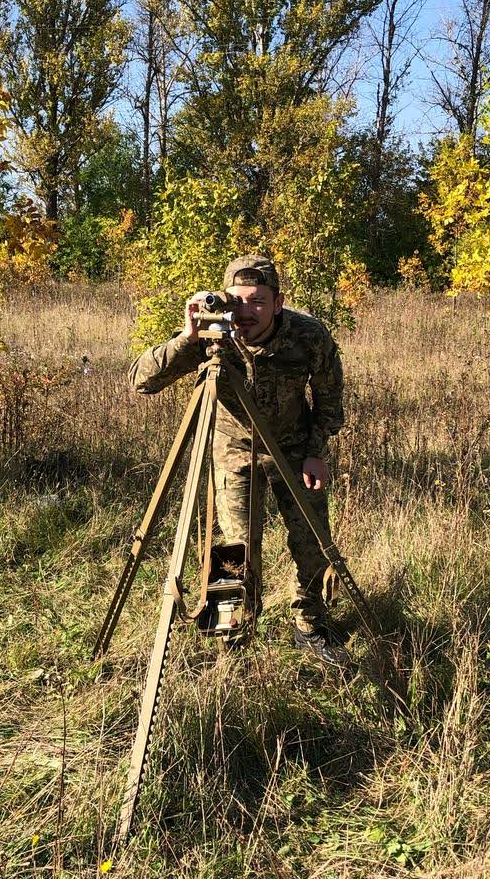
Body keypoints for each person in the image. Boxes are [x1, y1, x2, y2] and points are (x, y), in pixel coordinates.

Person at [127, 253, 345, 662]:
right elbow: (141, 381)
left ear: (278, 303)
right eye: (237, 299)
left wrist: (317, 452)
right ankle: (235, 631)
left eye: (258, 301)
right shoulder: (213, 333)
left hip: (295, 449)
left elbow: (329, 396)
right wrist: (188, 339)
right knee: (235, 549)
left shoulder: (309, 336)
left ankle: (311, 623)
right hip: (234, 453)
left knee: (312, 541)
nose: (246, 311)